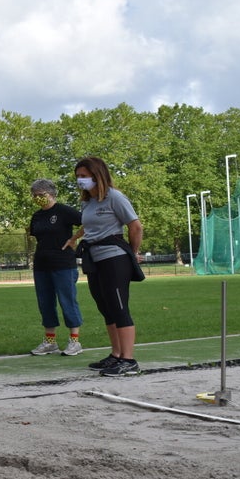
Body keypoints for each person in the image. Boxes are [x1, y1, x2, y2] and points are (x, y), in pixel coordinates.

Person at [66, 156, 145, 377]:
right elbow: (88, 225)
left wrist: (132, 253)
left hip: (114, 258)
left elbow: (136, 226)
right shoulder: (88, 202)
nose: (80, 180)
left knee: (119, 308)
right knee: (106, 307)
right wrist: (74, 238)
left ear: (97, 175)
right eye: (78, 176)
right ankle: (116, 355)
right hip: (94, 258)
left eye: (84, 176)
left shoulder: (115, 197)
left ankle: (129, 360)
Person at [27, 179, 85, 356]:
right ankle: (50, 342)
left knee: (68, 301)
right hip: (41, 265)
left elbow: (88, 222)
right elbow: (35, 235)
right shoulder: (37, 216)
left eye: (41, 194)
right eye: (34, 195)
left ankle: (74, 341)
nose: (37, 198)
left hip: (63, 264)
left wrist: (74, 239)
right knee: (45, 303)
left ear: (51, 194)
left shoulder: (63, 211)